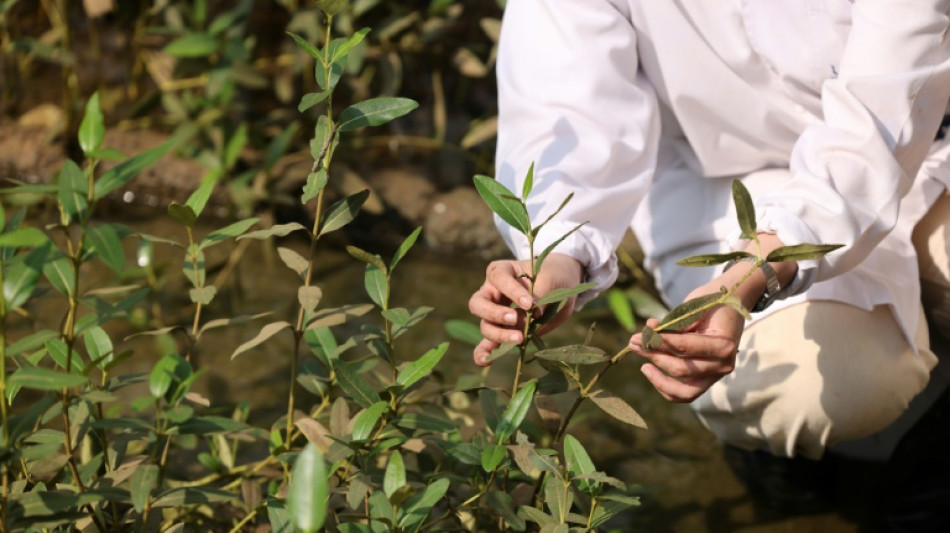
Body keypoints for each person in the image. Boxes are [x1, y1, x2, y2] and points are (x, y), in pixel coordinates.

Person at [468, 0, 950, 523]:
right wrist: (556, 256)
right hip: (730, 181)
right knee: (808, 390)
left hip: (922, 140)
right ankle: (782, 464)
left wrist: (755, 271)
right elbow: (565, 107)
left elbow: (881, 117)